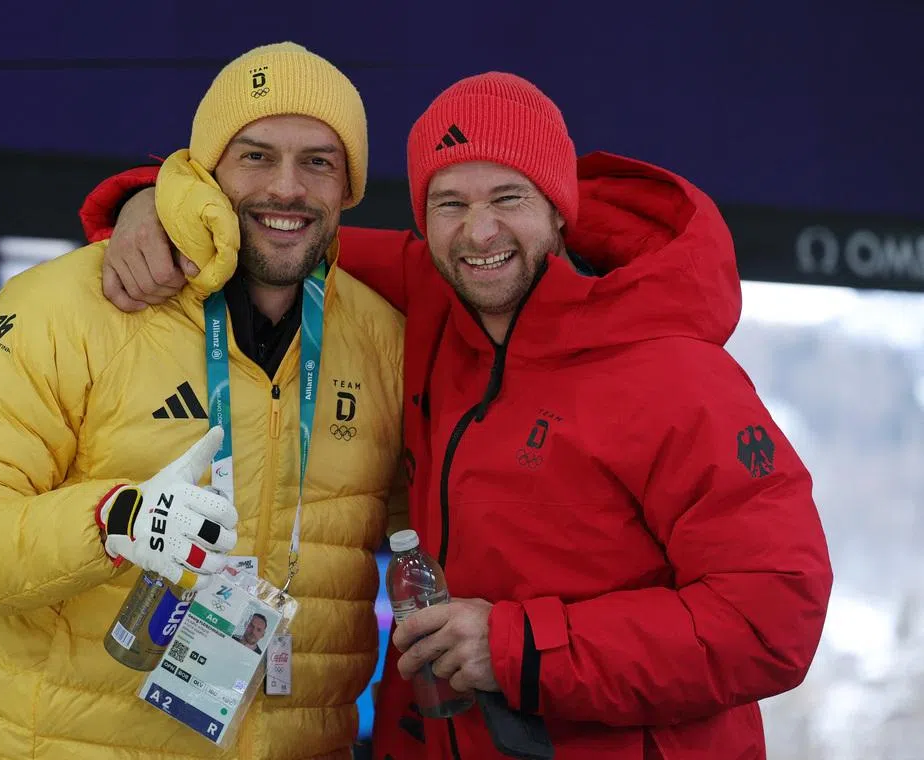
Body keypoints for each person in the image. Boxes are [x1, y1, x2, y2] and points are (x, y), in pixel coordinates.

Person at [81, 72, 833, 759]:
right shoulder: (436, 304)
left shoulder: (678, 375)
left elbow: (773, 620)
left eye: (508, 198)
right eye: (451, 203)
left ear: (560, 212)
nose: (479, 234)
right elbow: (279, 235)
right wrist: (152, 204)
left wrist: (519, 647)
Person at [0, 42, 405, 760]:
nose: (287, 188)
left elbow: (438, 523)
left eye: (318, 161)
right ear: (207, 168)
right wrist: (112, 521)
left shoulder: (379, 340)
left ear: (348, 186)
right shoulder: (68, 306)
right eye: (255, 155)